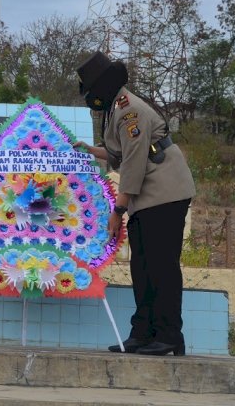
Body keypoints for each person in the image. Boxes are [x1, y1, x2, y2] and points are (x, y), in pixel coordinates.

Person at [73, 51, 195, 356]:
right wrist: (91, 150)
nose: (90, 97)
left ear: (102, 87)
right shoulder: (116, 110)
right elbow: (119, 153)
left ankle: (169, 335)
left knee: (161, 266)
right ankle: (142, 333)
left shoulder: (129, 111)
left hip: (164, 193)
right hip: (148, 199)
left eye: (90, 91)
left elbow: (134, 163)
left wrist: (118, 210)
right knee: (142, 267)